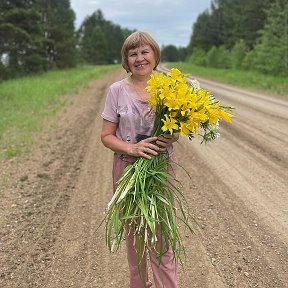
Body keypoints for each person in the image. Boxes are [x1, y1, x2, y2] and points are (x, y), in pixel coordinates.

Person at [101, 31, 179, 288]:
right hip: (127, 168)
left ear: (155, 55)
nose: (139, 58)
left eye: (145, 52)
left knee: (161, 234)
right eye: (132, 54)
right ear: (126, 60)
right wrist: (132, 149)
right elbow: (106, 136)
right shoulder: (116, 91)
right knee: (134, 234)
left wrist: (171, 137)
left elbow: (176, 129)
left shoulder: (168, 88)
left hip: (161, 168)